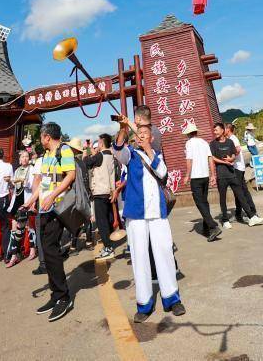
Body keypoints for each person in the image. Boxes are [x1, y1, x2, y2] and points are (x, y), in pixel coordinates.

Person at [112, 114, 185, 323]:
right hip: (136, 214)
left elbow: (162, 173)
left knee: (164, 253)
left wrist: (149, 150)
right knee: (139, 257)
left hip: (158, 213)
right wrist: (124, 128)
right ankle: (144, 303)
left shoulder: (157, 156)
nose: (142, 136)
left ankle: (172, 298)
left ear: (151, 138)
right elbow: (117, 151)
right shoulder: (130, 155)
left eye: (145, 134)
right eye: (139, 133)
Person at [23, 122, 76, 323]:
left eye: (41, 137)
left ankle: (64, 297)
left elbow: (70, 176)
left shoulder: (65, 150)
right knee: (47, 249)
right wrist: (30, 201)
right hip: (45, 207)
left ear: (47, 137)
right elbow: (45, 181)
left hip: (58, 207)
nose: (40, 140)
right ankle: (56, 295)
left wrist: (53, 195)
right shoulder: (46, 156)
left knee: (51, 250)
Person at [210, 122, 261, 229]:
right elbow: (212, 158)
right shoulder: (213, 144)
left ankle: (251, 217)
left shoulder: (230, 142)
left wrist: (231, 159)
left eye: (216, 130)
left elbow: (234, 153)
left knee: (240, 195)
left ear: (223, 130)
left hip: (232, 173)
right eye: (214, 130)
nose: (215, 132)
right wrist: (224, 163)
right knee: (223, 198)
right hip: (221, 175)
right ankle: (225, 220)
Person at [183, 120, 221, 241]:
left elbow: (189, 160)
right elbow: (210, 159)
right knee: (204, 202)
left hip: (195, 177)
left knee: (200, 202)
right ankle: (207, 229)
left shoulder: (189, 143)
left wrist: (187, 175)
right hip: (205, 175)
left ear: (189, 134)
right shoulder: (204, 142)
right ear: (196, 132)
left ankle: (213, 226)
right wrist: (213, 175)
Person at [82, 133, 118, 260]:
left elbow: (87, 162)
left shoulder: (100, 156)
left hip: (100, 192)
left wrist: (85, 152)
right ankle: (110, 244)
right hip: (109, 192)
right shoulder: (110, 155)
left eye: (98, 142)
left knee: (101, 222)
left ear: (102, 143)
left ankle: (108, 248)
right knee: (107, 220)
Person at [226, 123, 260, 218]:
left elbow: (238, 149)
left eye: (224, 128)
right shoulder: (231, 138)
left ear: (228, 129)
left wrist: (231, 158)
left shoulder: (233, 138)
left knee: (242, 191)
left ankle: (251, 212)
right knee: (239, 191)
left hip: (238, 168)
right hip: (238, 167)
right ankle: (239, 213)